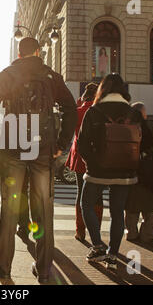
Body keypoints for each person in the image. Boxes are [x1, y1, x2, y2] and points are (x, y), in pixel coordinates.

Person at [0, 37, 77, 283]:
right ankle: (43, 269)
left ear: (19, 54)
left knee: (9, 206)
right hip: (43, 148)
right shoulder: (51, 77)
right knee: (44, 208)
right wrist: (61, 144)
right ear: (38, 52)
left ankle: (4, 266)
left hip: (13, 147)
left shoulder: (6, 74)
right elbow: (70, 109)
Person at [77, 73, 153, 270]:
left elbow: (82, 144)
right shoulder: (133, 113)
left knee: (86, 203)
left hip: (97, 171)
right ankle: (112, 254)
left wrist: (93, 163)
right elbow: (149, 142)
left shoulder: (94, 111)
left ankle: (97, 246)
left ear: (103, 89)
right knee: (117, 212)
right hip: (126, 171)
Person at [66, 83, 104, 241]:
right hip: (98, 159)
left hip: (79, 158)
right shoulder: (101, 113)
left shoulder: (79, 111)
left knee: (80, 192)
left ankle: (80, 231)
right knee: (98, 195)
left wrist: (78, 102)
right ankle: (96, 230)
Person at [125, 102, 153, 243]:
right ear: (143, 113)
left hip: (131, 171)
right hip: (150, 172)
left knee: (131, 206)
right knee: (150, 208)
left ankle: (131, 233)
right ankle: (147, 236)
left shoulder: (126, 127)